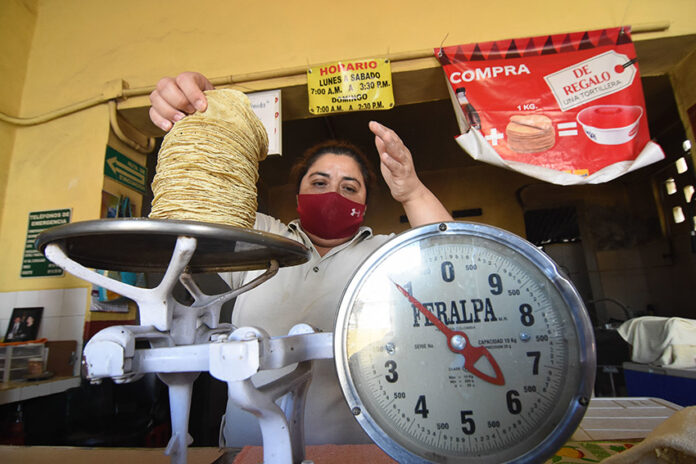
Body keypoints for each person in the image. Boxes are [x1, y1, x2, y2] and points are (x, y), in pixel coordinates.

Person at [149, 71, 453, 446]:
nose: (333, 193)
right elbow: (191, 215)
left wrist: (412, 191)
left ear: (364, 205)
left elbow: (449, 261)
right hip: (249, 449)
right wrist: (203, 112)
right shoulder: (258, 236)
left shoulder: (383, 257)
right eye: (319, 182)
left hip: (352, 451)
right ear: (298, 198)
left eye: (349, 187)